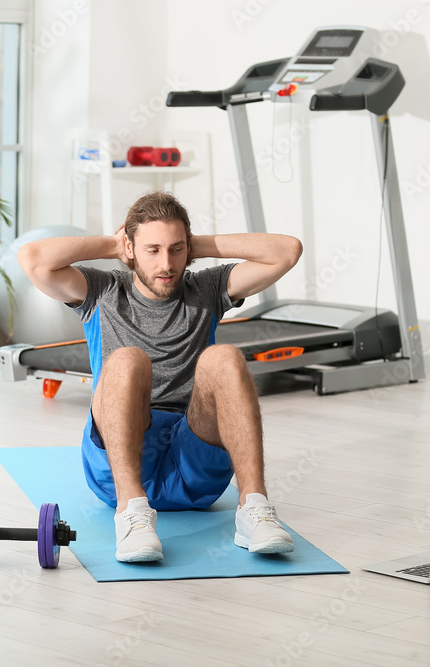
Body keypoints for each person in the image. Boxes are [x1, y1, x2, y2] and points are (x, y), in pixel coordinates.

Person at [19, 191, 303, 563]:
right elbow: (33, 260)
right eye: (152, 250)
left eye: (176, 249)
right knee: (127, 360)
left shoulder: (207, 288)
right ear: (131, 248)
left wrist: (195, 244)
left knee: (224, 357)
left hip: (194, 459)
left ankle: (253, 509)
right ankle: (132, 514)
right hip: (121, 461)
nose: (166, 264)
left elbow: (288, 251)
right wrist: (112, 243)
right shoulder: (103, 291)